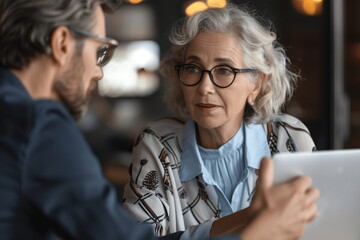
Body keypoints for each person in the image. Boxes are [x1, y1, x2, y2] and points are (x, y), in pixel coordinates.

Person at [0, 0, 318, 240]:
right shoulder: (39, 125)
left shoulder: (13, 113)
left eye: (224, 70)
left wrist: (248, 219)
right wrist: (257, 228)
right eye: (100, 51)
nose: (99, 71)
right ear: (62, 45)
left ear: (258, 83)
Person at [123, 3, 319, 239]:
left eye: (224, 70)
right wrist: (252, 217)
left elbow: (317, 229)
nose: (205, 87)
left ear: (257, 84)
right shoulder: (159, 146)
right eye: (193, 68)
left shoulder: (288, 136)